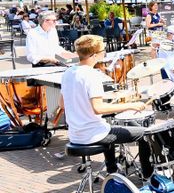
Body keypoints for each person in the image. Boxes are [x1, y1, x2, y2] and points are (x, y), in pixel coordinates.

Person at [60, 35, 153, 180]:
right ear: (94, 55)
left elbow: (62, 104)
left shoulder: (68, 73)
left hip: (75, 134)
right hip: (91, 135)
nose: (105, 53)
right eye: (103, 50)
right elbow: (98, 108)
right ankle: (148, 176)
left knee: (108, 126)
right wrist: (132, 105)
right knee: (145, 133)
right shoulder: (92, 75)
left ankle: (112, 171)